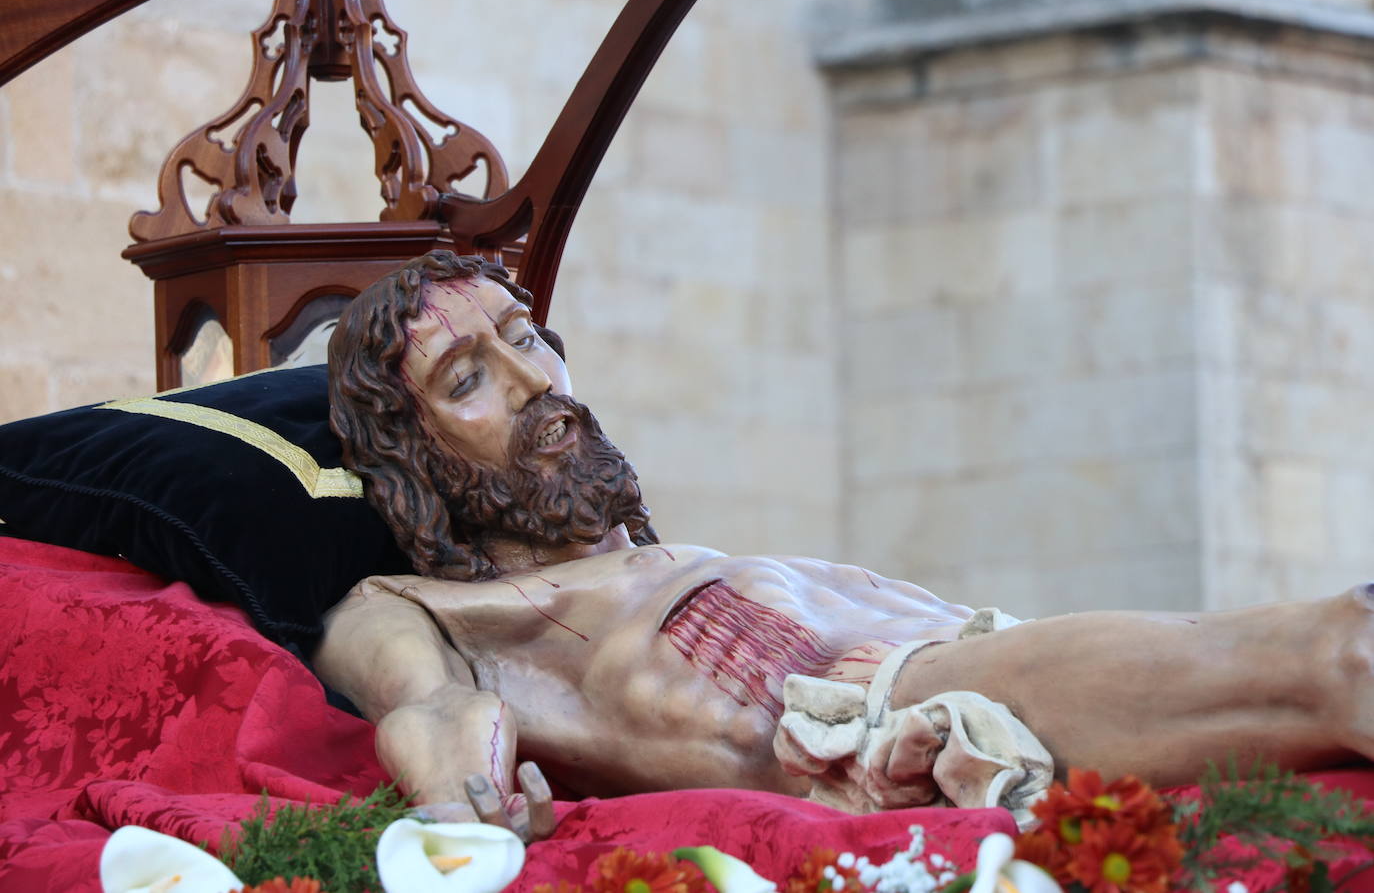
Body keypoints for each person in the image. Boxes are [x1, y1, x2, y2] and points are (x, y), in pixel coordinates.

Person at [315, 250, 1374, 839]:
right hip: (898, 719)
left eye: (527, 336)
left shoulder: (671, 557)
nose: (534, 378)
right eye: (467, 378)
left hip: (989, 661)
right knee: (1343, 653)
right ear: (415, 464)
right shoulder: (422, 606)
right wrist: (461, 780)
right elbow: (428, 704)